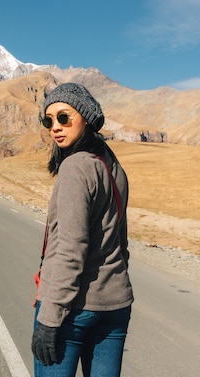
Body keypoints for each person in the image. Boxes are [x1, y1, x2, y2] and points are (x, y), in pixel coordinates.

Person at [31, 83, 134, 377]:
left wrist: (50, 318)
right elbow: (120, 240)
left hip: (71, 310)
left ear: (86, 118)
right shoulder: (113, 167)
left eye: (64, 117)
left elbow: (70, 248)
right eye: (48, 121)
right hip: (115, 306)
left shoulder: (75, 167)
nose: (55, 127)